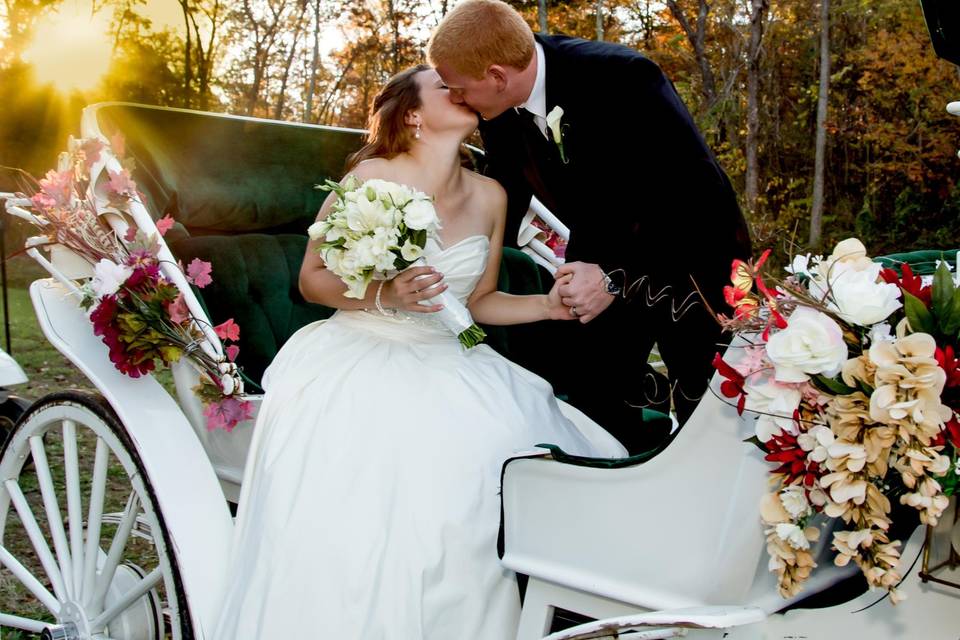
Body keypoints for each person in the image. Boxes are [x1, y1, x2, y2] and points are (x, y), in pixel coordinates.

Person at [211, 64, 625, 639]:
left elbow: (478, 300)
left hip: (451, 355)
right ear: (411, 113)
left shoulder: (492, 195)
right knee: (425, 469)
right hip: (363, 347)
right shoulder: (371, 177)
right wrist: (388, 292)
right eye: (444, 87)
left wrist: (547, 307)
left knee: (518, 449)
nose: (462, 90)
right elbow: (311, 281)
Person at [428, 0, 753, 453]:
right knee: (594, 395)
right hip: (594, 262)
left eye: (459, 90)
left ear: (498, 76)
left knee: (711, 405)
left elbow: (694, 198)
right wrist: (438, 247)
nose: (457, 99)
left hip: (693, 264)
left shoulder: (624, 78)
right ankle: (621, 488)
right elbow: (504, 192)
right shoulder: (497, 109)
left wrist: (614, 276)